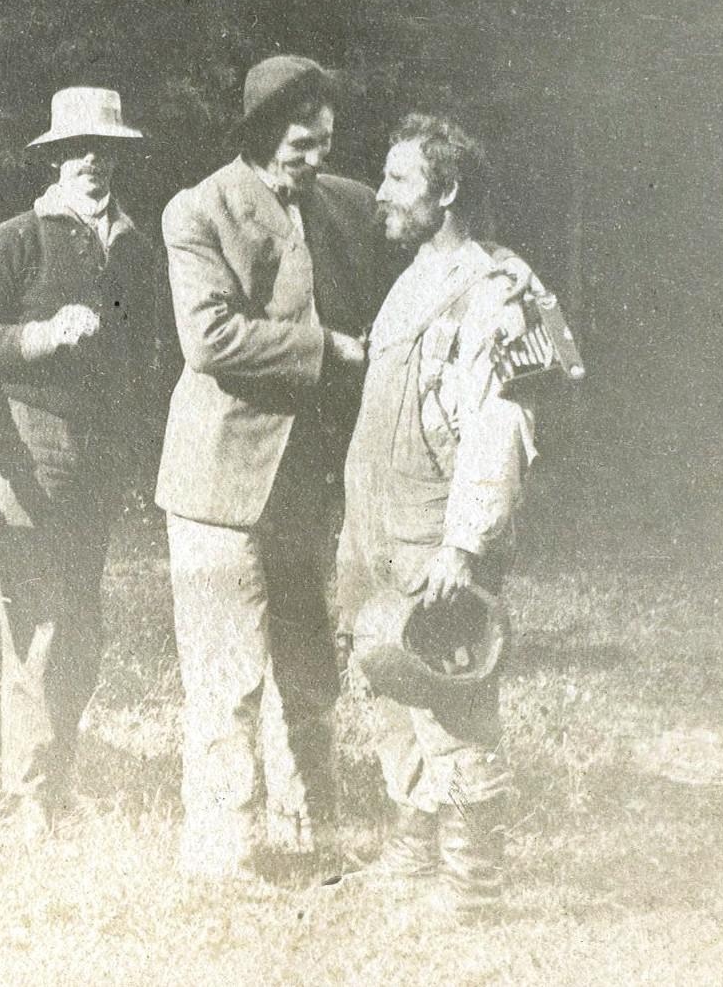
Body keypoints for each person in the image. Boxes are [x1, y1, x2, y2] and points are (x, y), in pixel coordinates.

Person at [156, 54, 386, 881]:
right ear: (260, 136)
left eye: (325, 142)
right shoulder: (198, 211)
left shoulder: (351, 208)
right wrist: (328, 351)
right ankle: (223, 852)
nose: (315, 159)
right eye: (299, 144)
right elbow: (210, 339)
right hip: (219, 486)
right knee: (228, 676)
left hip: (307, 487)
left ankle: (312, 831)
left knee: (310, 667)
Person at [339, 114, 548, 913]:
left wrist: (464, 547)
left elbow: (498, 429)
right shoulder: (411, 277)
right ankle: (416, 851)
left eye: (397, 180)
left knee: (452, 697)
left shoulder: (495, 289)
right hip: (377, 523)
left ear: (448, 191)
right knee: (391, 683)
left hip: (438, 529)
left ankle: (473, 884)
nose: (381, 195)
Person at [0, 86, 164, 834]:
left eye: (104, 151)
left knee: (82, 617)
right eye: (76, 150)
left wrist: (136, 448)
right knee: (35, 613)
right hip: (30, 439)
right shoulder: (16, 238)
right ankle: (26, 792)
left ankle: (61, 774)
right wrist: (41, 336)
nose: (92, 163)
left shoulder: (135, 250)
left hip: (102, 451)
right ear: (53, 160)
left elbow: (146, 355)